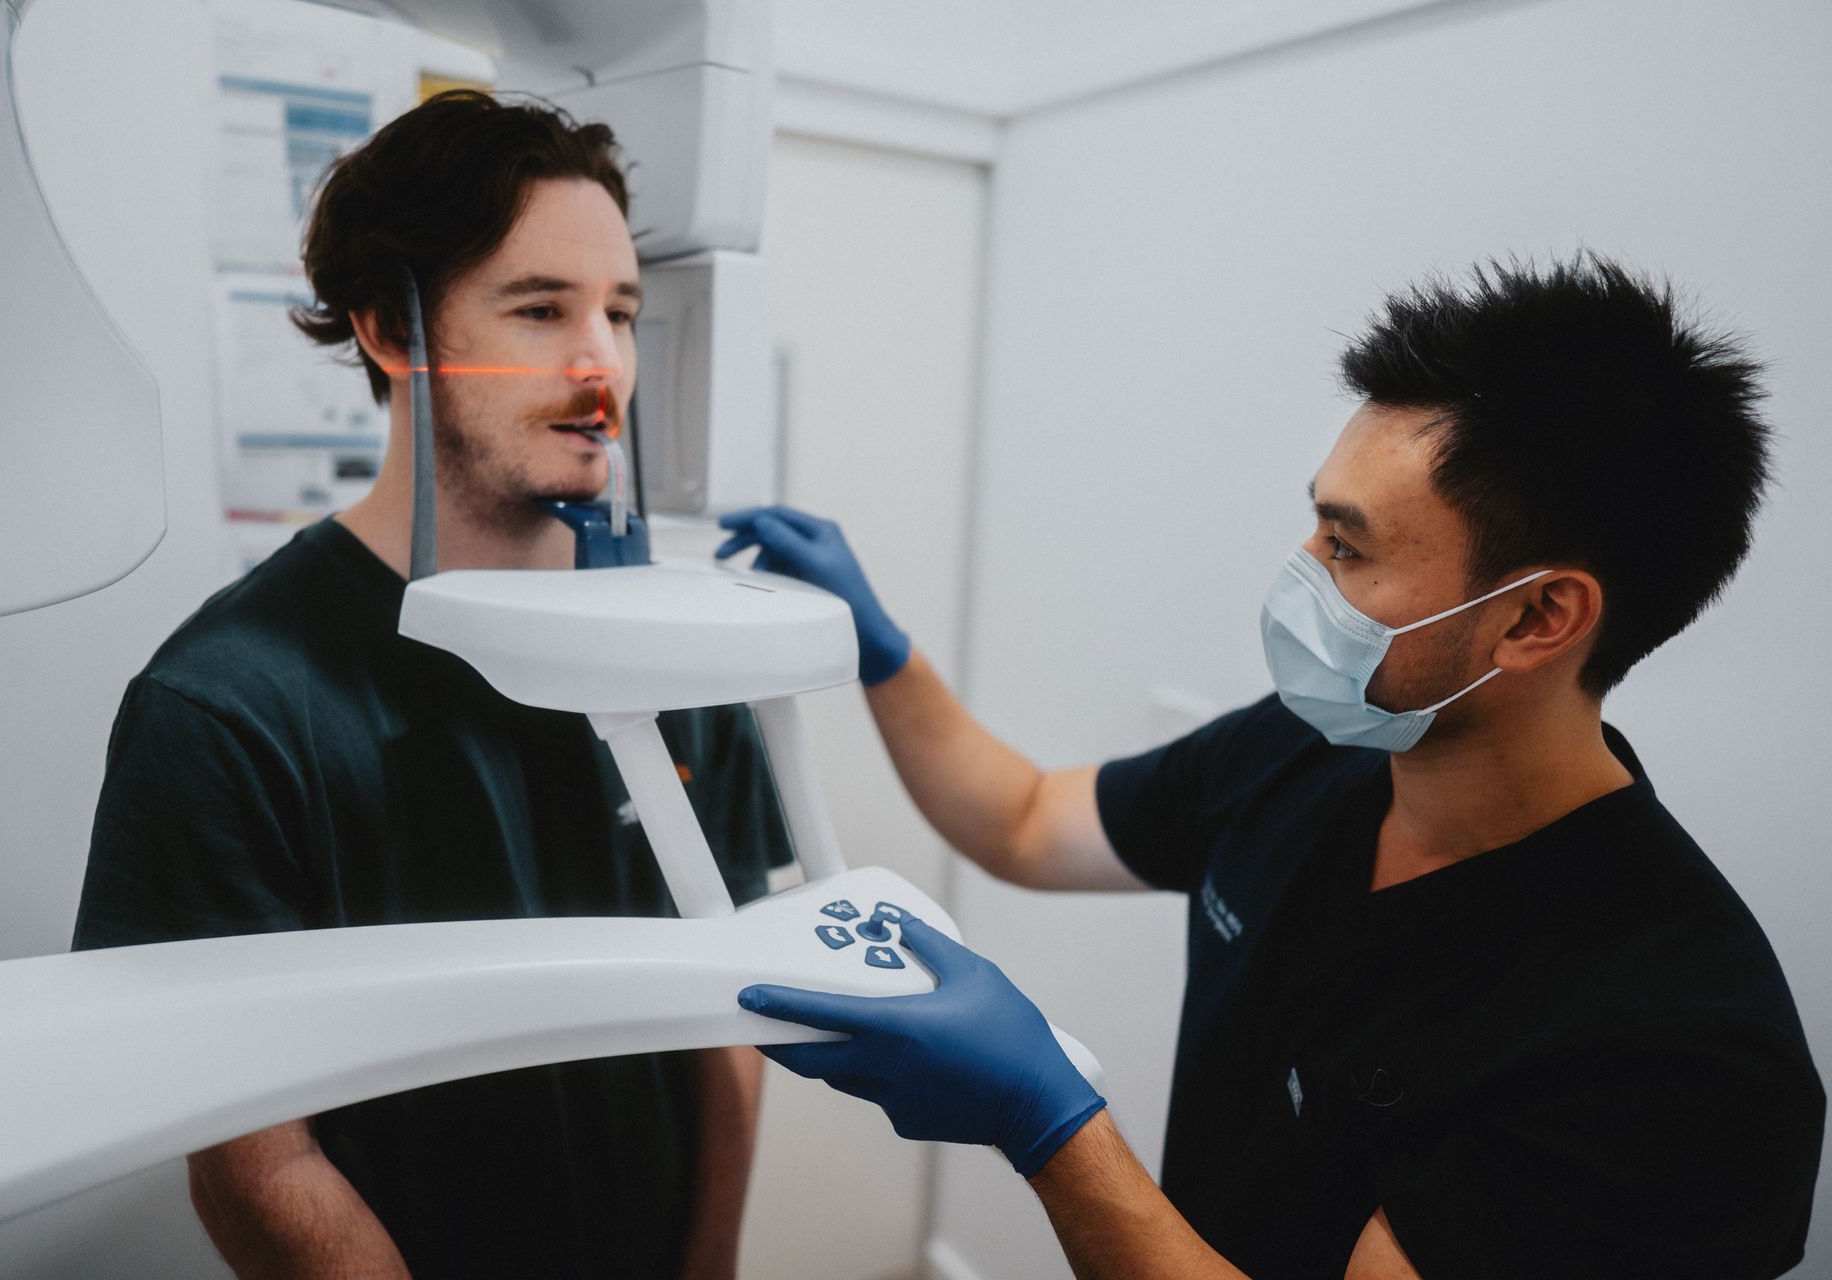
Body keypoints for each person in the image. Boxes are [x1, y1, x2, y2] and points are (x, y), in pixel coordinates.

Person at [720, 256, 1825, 1279]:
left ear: (1538, 616)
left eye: (1347, 547)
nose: (1300, 575)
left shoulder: (1677, 1056)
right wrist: (885, 654)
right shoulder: (1310, 750)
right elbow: (1021, 818)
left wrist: (1047, 1122)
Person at [73, 90, 791, 1280]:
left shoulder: (681, 653)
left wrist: (707, 1261)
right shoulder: (228, 706)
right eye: (541, 308)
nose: (602, 363)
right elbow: (254, 1155)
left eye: (620, 313)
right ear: (390, 330)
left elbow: (733, 1006)